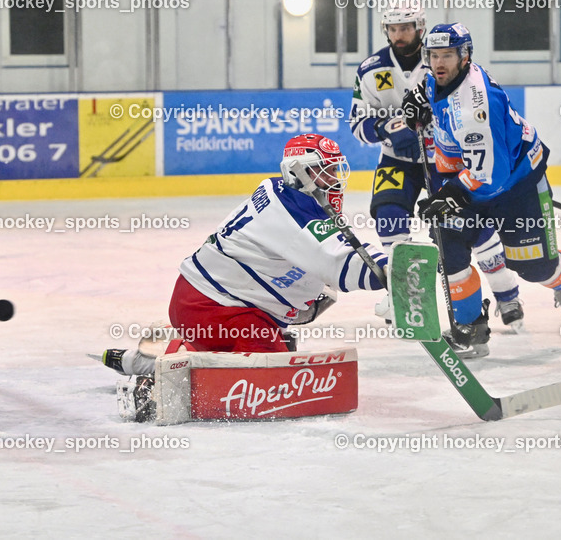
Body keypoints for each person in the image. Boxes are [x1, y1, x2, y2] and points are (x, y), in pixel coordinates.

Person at [101, 133, 389, 378]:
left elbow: (321, 252)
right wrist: (391, 270)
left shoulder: (285, 195)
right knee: (274, 378)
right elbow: (338, 261)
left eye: (335, 170)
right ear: (297, 172)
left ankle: (156, 357)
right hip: (214, 309)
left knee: (279, 349)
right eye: (323, 171)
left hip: (206, 304)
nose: (333, 180)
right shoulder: (291, 210)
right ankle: (163, 372)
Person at [401, 22, 561, 358]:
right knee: (448, 246)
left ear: (465, 56)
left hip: (514, 182)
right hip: (467, 176)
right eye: (434, 55)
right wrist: (417, 101)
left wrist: (450, 194)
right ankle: (472, 328)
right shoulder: (437, 76)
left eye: (447, 56)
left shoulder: (475, 108)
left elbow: (491, 176)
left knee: (532, 268)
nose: (439, 63)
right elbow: (428, 90)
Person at [349, 2, 526, 330]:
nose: (399, 35)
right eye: (393, 28)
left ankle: (506, 292)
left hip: (442, 161)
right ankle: (400, 292)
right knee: (388, 217)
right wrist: (387, 128)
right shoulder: (370, 69)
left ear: (420, 27)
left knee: (470, 229)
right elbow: (357, 122)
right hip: (396, 159)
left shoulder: (440, 58)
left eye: (406, 28)